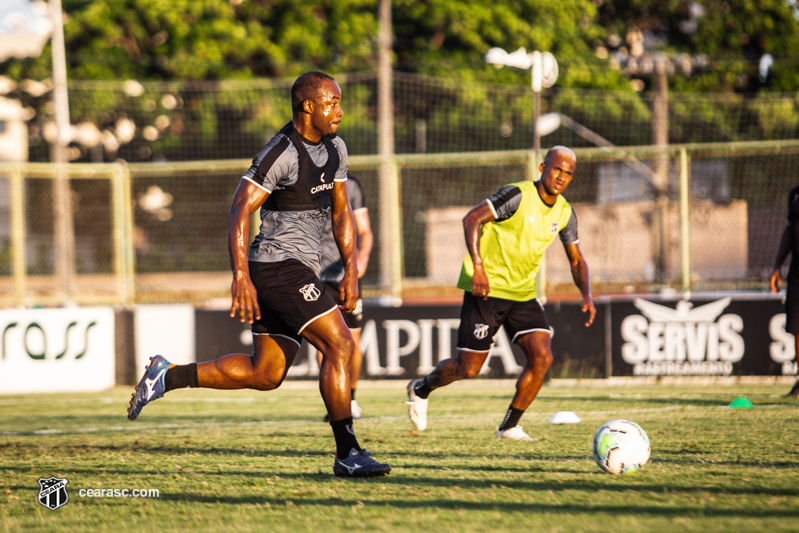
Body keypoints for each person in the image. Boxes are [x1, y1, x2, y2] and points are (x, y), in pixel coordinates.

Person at [127, 71, 391, 478]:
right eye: (332, 102)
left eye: (339, 102)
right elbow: (237, 211)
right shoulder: (280, 152)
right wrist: (240, 276)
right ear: (308, 106)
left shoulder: (337, 149)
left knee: (265, 373)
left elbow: (341, 213)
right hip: (276, 268)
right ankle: (348, 452)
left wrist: (352, 273)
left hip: (300, 270)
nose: (340, 110)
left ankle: (169, 375)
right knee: (340, 344)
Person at [406, 146, 595, 440]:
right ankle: (421, 388)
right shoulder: (516, 195)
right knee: (468, 369)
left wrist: (587, 295)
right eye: (557, 169)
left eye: (568, 173)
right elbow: (472, 219)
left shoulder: (565, 212)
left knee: (542, 357)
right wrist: (478, 266)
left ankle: (508, 426)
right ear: (543, 168)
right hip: (487, 290)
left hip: (523, 293)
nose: (562, 177)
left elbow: (576, 258)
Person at [316, 174, 373, 421]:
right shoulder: (304, 180)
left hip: (344, 275)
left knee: (352, 341)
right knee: (324, 343)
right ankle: (334, 401)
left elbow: (365, 232)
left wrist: (362, 258)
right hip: (314, 274)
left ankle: (351, 398)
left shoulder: (351, 186)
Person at [769, 185, 799, 397]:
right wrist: (777, 265)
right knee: (797, 327)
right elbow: (789, 230)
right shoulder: (795, 194)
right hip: (797, 270)